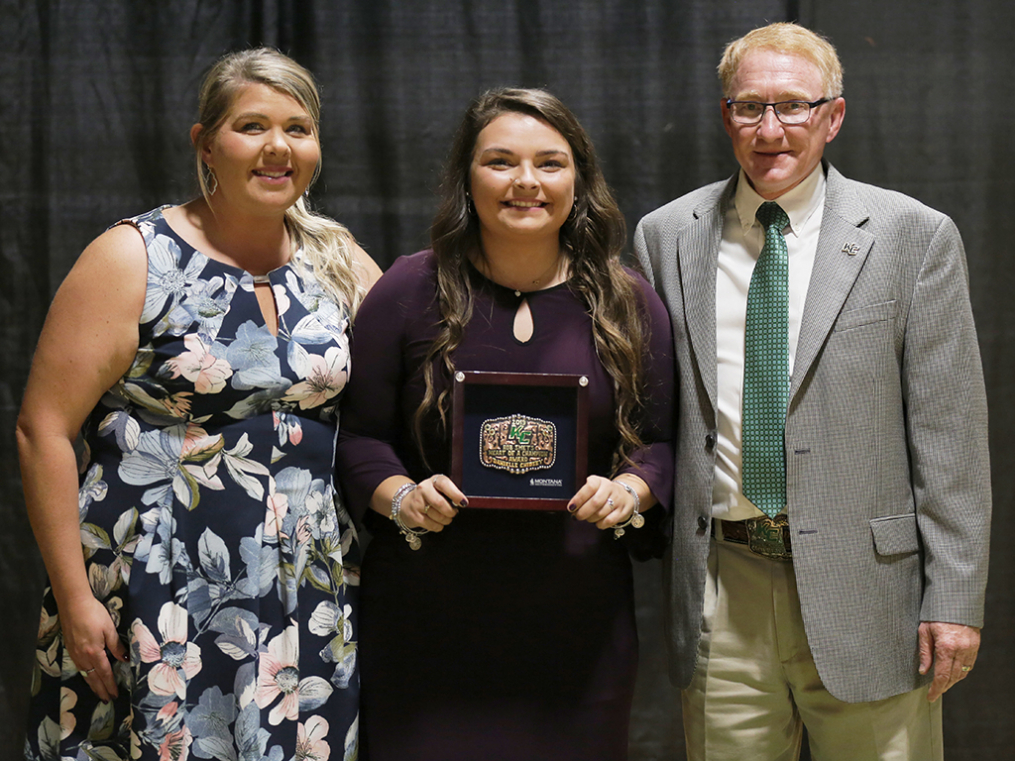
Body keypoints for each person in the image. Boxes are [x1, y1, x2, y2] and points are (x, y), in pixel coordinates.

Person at [635, 22, 990, 761]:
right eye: (749, 107)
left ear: (832, 116)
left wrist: (953, 603)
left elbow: (948, 436)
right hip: (721, 592)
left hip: (872, 598)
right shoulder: (665, 235)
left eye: (793, 106)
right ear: (723, 114)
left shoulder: (911, 236)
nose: (770, 130)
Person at [17, 48, 382, 759]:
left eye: (298, 128)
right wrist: (74, 595)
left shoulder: (335, 258)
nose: (278, 147)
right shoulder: (134, 256)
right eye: (252, 125)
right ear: (205, 143)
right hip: (157, 573)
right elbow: (43, 430)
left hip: (304, 577)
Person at [336, 87, 674, 761]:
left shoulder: (627, 301)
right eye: (500, 162)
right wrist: (400, 497)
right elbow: (358, 438)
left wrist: (629, 492)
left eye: (549, 163)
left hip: (575, 627)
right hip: (427, 622)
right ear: (467, 176)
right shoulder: (407, 291)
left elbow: (660, 442)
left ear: (578, 179)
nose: (525, 182)